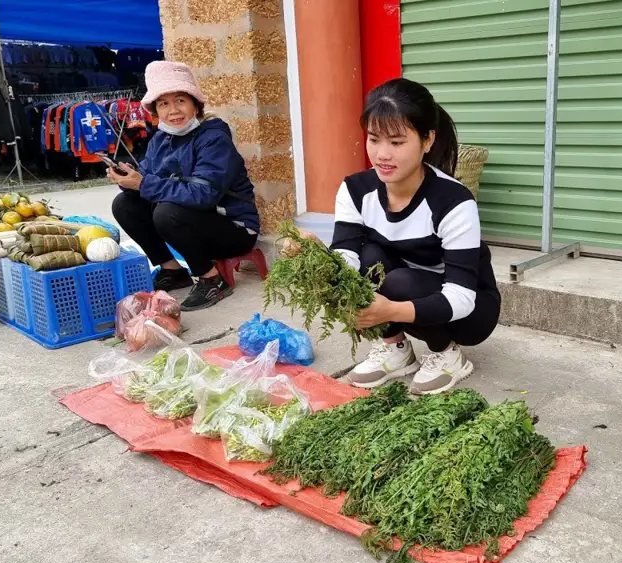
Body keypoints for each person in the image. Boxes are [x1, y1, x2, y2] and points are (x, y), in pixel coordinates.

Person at [290, 78, 501, 395]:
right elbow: (347, 257)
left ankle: (447, 355)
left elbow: (461, 296)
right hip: (408, 289)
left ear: (427, 140)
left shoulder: (453, 201)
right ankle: (395, 348)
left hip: (470, 309)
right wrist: (319, 257)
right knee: (365, 260)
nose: (382, 154)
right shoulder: (355, 190)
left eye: (397, 142)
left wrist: (389, 310)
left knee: (398, 282)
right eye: (374, 139)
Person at [109, 61, 260, 311]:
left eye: (180, 100)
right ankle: (173, 271)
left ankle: (212, 279)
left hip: (234, 229)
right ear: (156, 110)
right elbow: (146, 177)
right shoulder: (161, 138)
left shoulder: (213, 138)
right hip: (197, 222)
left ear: (195, 105)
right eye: (164, 104)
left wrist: (144, 183)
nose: (173, 111)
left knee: (167, 212)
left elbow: (203, 195)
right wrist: (128, 179)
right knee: (125, 204)